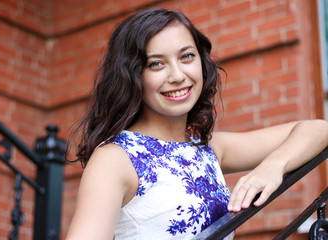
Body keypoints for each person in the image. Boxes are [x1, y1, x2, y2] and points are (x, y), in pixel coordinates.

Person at [66, 8, 328, 240]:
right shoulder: (114, 158)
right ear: (132, 75)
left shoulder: (208, 148)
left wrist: (272, 167)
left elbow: (318, 129)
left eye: (187, 57)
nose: (178, 75)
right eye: (156, 64)